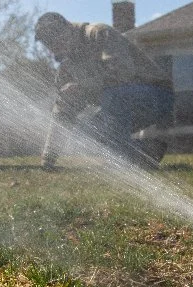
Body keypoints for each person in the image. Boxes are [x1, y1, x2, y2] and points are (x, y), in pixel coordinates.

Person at [34, 12, 172, 170]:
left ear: (69, 27)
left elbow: (122, 72)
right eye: (49, 44)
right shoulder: (66, 68)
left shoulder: (99, 33)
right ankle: (147, 152)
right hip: (118, 107)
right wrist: (48, 158)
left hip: (156, 96)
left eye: (56, 38)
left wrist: (83, 85)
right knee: (86, 133)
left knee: (113, 95)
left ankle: (127, 158)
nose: (54, 46)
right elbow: (62, 112)